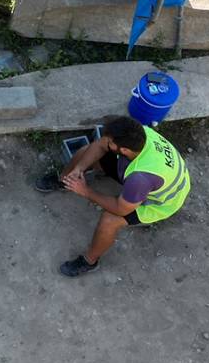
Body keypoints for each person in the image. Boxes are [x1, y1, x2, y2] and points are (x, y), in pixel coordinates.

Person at [36, 116, 191, 277]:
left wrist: (85, 191)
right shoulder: (139, 134)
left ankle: (90, 261)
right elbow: (100, 145)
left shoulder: (140, 178)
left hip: (162, 202)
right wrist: (79, 169)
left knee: (110, 219)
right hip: (155, 177)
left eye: (110, 142)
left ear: (123, 150)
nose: (105, 142)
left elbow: (120, 208)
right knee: (84, 153)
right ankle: (64, 181)